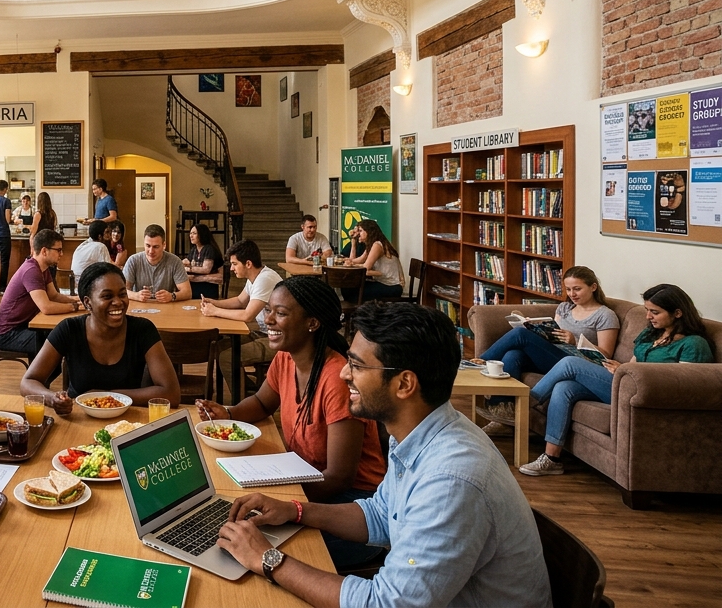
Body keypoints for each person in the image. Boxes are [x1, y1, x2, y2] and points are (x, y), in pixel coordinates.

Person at [215, 301, 551, 607]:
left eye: (357, 366)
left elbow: (385, 604)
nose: (344, 373)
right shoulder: (425, 432)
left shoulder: (451, 479)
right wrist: (295, 511)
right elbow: (379, 515)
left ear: (404, 384)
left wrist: (268, 559)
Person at [196, 276, 386, 570]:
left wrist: (285, 502)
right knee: (234, 535)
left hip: (353, 506)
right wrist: (228, 413)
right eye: (269, 310)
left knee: (257, 550)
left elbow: (339, 477)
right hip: (307, 484)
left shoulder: (336, 379)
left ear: (312, 323)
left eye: (280, 313)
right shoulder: (286, 359)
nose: (268, 319)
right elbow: (261, 403)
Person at [519, 283, 714, 477]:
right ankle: (551, 459)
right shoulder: (651, 332)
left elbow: (683, 386)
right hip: (625, 383)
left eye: (654, 312)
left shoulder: (694, 344)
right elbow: (633, 362)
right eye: (647, 310)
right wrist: (617, 367)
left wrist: (627, 371)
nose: (648, 317)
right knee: (564, 387)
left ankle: (524, 405)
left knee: (570, 363)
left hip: (644, 394)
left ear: (678, 313)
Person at [470, 266, 619, 434]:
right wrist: (537, 330)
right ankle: (502, 410)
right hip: (552, 356)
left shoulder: (605, 315)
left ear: (593, 287)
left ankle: (479, 363)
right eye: (568, 289)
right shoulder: (564, 308)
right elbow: (552, 334)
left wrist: (575, 340)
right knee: (513, 355)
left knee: (520, 334)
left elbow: (605, 354)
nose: (572, 294)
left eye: (577, 289)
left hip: (574, 365)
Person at [21, 262, 181, 411]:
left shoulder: (142, 330)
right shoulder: (69, 329)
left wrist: (108, 396)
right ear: (87, 303)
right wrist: (51, 398)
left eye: (122, 294)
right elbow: (28, 382)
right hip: (79, 418)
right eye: (107, 296)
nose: (118, 302)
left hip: (126, 421)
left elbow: (171, 394)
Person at [200, 240, 281, 392]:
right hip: (264, 334)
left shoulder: (264, 279)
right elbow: (239, 301)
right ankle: (249, 389)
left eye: (235, 264)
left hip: (278, 339)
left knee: (226, 358)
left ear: (248, 264)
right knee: (219, 347)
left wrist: (214, 311)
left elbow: (247, 315)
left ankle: (245, 400)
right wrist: (214, 303)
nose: (231, 268)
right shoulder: (256, 277)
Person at [0, 229, 83, 357]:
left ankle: (45, 376)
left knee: (63, 337)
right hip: (9, 334)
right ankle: (39, 377)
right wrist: (74, 308)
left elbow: (54, 296)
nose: (61, 254)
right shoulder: (31, 270)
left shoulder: (43, 268)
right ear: (44, 251)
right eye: (58, 250)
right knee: (61, 343)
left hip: (24, 327)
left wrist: (78, 300)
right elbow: (46, 307)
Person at [123, 224, 191, 303]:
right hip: (140, 307)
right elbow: (121, 290)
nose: (151, 251)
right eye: (148, 246)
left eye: (156, 247)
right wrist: (136, 295)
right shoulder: (133, 260)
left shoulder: (175, 262)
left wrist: (172, 296)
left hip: (166, 308)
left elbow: (187, 292)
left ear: (164, 245)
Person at [343, 219, 403, 301]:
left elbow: (366, 267)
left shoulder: (377, 245)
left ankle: (361, 312)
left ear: (369, 232)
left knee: (351, 291)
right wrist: (348, 261)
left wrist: (351, 264)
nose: (358, 234)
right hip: (383, 282)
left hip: (391, 286)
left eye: (360, 231)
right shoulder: (372, 244)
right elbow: (359, 260)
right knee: (349, 288)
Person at [183, 223, 224, 301]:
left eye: (194, 233)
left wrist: (188, 269)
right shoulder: (194, 249)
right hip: (197, 284)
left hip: (208, 285)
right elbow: (186, 261)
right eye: (190, 233)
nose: (191, 236)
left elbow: (206, 269)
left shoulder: (209, 249)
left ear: (202, 234)